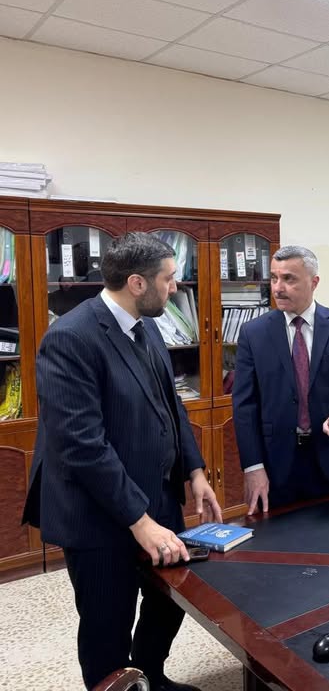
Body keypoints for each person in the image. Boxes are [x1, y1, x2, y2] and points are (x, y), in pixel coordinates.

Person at [22, 232, 222, 691]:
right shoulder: (71, 337)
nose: (175, 288)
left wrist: (195, 472)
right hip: (98, 514)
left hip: (157, 496)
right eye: (169, 279)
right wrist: (139, 521)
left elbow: (171, 404)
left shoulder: (146, 325)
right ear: (137, 283)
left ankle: (150, 677)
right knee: (106, 624)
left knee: (168, 600)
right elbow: (82, 447)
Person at [233, 245, 329, 513]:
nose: (278, 288)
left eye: (289, 279)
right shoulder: (253, 333)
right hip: (276, 462)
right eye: (274, 278)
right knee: (280, 536)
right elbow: (244, 405)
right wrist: (253, 466)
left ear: (314, 282)